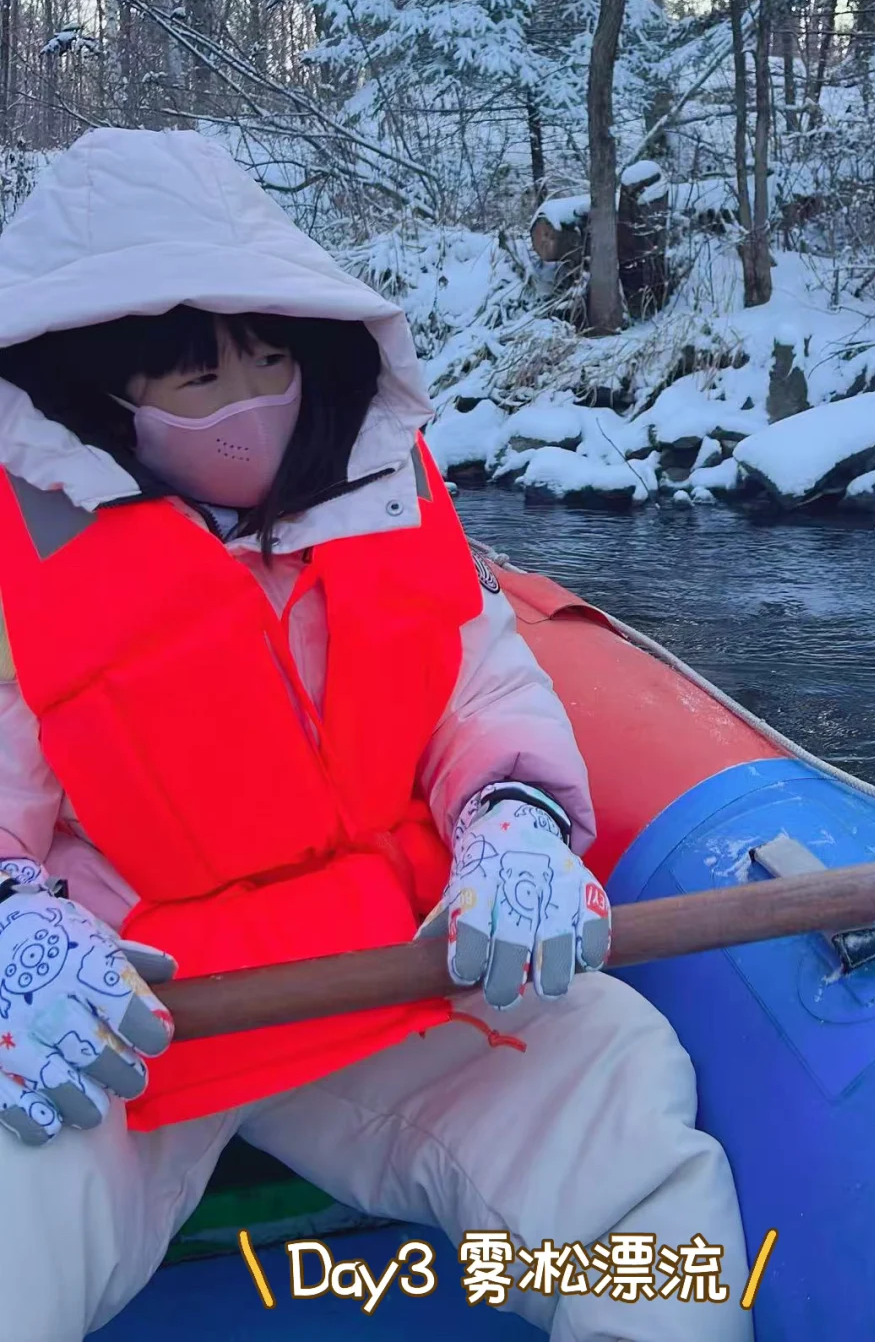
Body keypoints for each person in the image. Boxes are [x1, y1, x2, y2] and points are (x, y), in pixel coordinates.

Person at [0, 127, 752, 1340]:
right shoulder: (17, 561)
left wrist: (514, 820)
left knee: (618, 1091)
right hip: (121, 1015)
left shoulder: (385, 498)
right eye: (200, 379)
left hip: (382, 962)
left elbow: (480, 691)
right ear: (101, 396)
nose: (251, 400)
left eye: (269, 356)